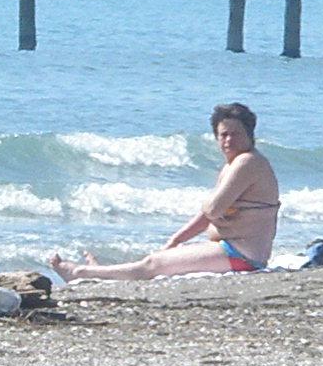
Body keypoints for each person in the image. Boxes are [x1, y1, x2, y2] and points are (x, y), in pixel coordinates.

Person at [54, 104, 281, 281]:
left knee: (154, 265)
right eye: (223, 135)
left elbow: (212, 209)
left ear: (250, 135)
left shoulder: (248, 162)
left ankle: (80, 273)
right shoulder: (232, 165)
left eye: (235, 134)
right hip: (230, 249)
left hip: (243, 256)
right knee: (160, 259)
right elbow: (209, 215)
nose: (228, 140)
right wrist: (176, 239)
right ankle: (99, 272)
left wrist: (214, 210)